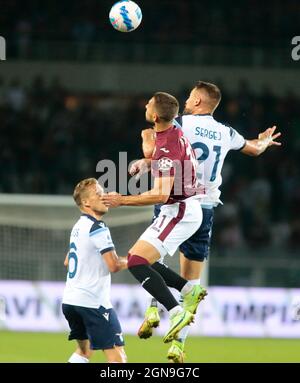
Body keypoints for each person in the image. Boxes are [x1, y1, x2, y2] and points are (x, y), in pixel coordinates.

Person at [133, 81, 281, 362]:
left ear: (199, 101)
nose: (186, 101)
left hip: (176, 202)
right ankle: (179, 346)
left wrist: (145, 143)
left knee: (149, 259)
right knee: (192, 280)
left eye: (190, 97)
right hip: (206, 210)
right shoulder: (226, 132)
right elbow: (254, 149)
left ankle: (153, 308)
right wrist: (263, 141)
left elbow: (154, 147)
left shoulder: (179, 124)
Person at [102, 92, 207, 344]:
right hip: (182, 208)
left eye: (149, 103)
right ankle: (189, 290)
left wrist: (121, 200)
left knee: (137, 262)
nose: (146, 104)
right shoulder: (171, 131)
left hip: (180, 210)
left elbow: (160, 194)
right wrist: (146, 161)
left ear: (156, 116)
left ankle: (177, 311)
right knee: (140, 259)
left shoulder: (166, 146)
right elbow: (158, 154)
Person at [62, 178, 127, 363]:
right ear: (86, 202)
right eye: (98, 194)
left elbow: (67, 261)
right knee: (118, 358)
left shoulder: (78, 226)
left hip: (70, 302)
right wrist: (137, 260)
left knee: (84, 352)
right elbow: (113, 265)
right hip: (93, 303)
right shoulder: (97, 227)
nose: (104, 196)